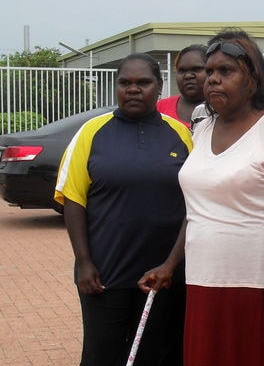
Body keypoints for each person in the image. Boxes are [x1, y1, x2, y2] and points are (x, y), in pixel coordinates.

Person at [138, 28, 264, 365]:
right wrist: (170, 264)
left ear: (253, 78)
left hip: (260, 280)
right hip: (205, 276)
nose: (213, 80)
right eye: (210, 72)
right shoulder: (203, 126)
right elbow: (197, 210)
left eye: (226, 71)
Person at [55, 53, 192, 366]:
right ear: (116, 88)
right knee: (102, 355)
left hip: (163, 276)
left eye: (143, 82)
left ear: (159, 87)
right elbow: (73, 199)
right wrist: (84, 262)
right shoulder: (92, 132)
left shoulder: (180, 134)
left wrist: (172, 265)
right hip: (105, 275)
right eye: (125, 83)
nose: (133, 89)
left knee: (158, 354)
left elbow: (194, 204)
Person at [156, 44, 207, 129]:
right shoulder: (160, 108)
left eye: (196, 69)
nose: (188, 76)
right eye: (182, 70)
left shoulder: (220, 110)